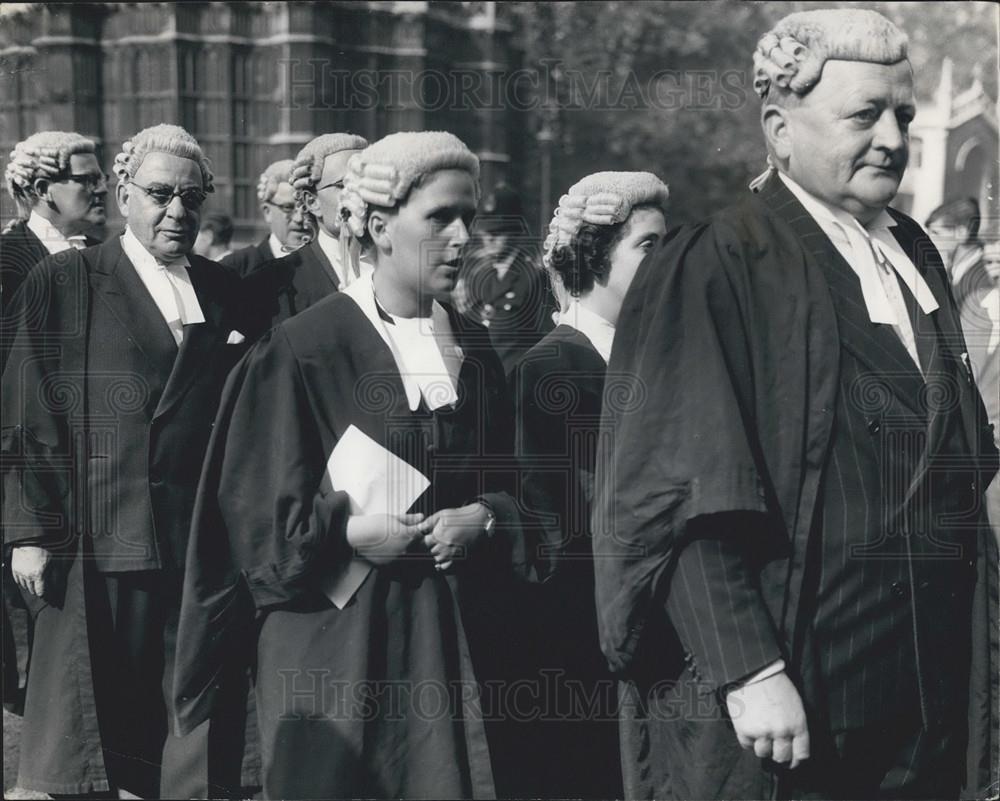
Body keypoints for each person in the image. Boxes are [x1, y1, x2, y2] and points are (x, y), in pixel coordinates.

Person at [593, 10, 998, 801]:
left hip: (927, 689)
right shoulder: (717, 263)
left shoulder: (914, 253)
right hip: (797, 694)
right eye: (863, 115)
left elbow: (966, 458)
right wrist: (751, 671)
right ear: (779, 129)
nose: (890, 137)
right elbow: (676, 494)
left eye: (902, 116)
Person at [172, 131, 539, 799]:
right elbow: (255, 521)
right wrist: (345, 531)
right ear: (378, 226)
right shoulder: (302, 348)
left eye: (469, 218)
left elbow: (519, 490)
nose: (462, 238)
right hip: (334, 647)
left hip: (449, 645)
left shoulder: (475, 347)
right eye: (439, 218)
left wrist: (485, 517)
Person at [2, 123, 251, 798]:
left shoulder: (228, 290)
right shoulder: (67, 279)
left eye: (192, 197)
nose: (178, 211)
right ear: (123, 193)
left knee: (188, 716)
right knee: (97, 733)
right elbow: (30, 413)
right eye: (161, 194)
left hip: (198, 539)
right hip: (99, 534)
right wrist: (28, 531)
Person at [511, 171, 669, 799]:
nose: (665, 263)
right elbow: (553, 515)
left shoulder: (655, 353)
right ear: (594, 255)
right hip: (587, 626)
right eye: (647, 247)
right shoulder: (553, 364)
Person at [1, 130, 107, 718]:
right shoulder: (7, 261)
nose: (101, 189)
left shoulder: (98, 257)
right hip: (22, 474)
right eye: (85, 180)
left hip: (86, 474)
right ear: (42, 190)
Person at [240, 133, 369, 333]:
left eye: (367, 183)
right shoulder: (271, 284)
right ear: (312, 202)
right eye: (344, 185)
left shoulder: (402, 268)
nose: (362, 195)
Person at [455, 183, 555, 372]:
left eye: (498, 232)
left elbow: (546, 343)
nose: (489, 239)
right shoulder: (480, 278)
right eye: (486, 232)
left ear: (516, 233)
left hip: (517, 386)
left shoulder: (534, 278)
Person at [221, 159, 311, 276]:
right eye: (288, 208)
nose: (299, 218)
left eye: (305, 208)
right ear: (267, 212)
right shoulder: (236, 268)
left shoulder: (325, 266)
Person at [925, 197, 988, 308]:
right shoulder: (949, 267)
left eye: (936, 233)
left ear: (961, 233)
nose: (928, 240)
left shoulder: (988, 275)